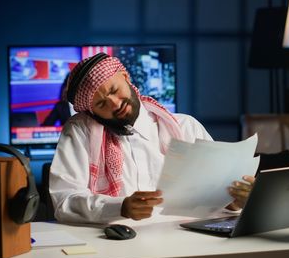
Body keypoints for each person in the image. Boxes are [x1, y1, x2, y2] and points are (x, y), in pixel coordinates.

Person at [49, 53, 255, 224]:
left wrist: (237, 200)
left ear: (126, 77)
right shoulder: (80, 131)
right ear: (92, 113)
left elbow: (218, 197)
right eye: (102, 104)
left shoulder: (186, 127)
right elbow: (64, 200)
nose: (114, 104)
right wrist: (120, 208)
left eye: (114, 90)